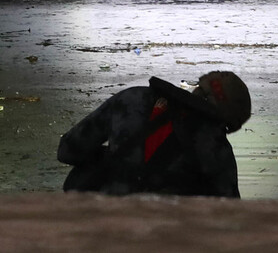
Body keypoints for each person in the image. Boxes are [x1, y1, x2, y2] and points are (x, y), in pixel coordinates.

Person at [57, 71, 251, 197]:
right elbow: (230, 214)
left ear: (199, 86)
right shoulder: (217, 148)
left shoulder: (131, 99)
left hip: (106, 225)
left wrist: (113, 158)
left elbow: (67, 151)